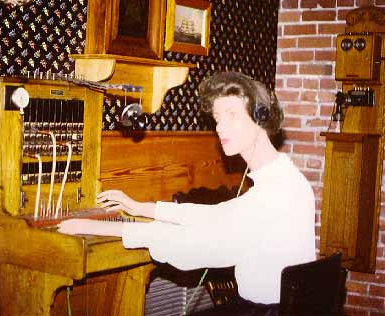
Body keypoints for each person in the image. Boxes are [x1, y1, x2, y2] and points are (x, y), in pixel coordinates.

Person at [58, 72, 316, 315]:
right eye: (217, 118)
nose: (220, 127)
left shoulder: (276, 192)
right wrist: (140, 208)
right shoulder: (284, 178)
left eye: (231, 115)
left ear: (260, 117)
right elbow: (217, 215)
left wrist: (98, 227)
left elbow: (194, 246)